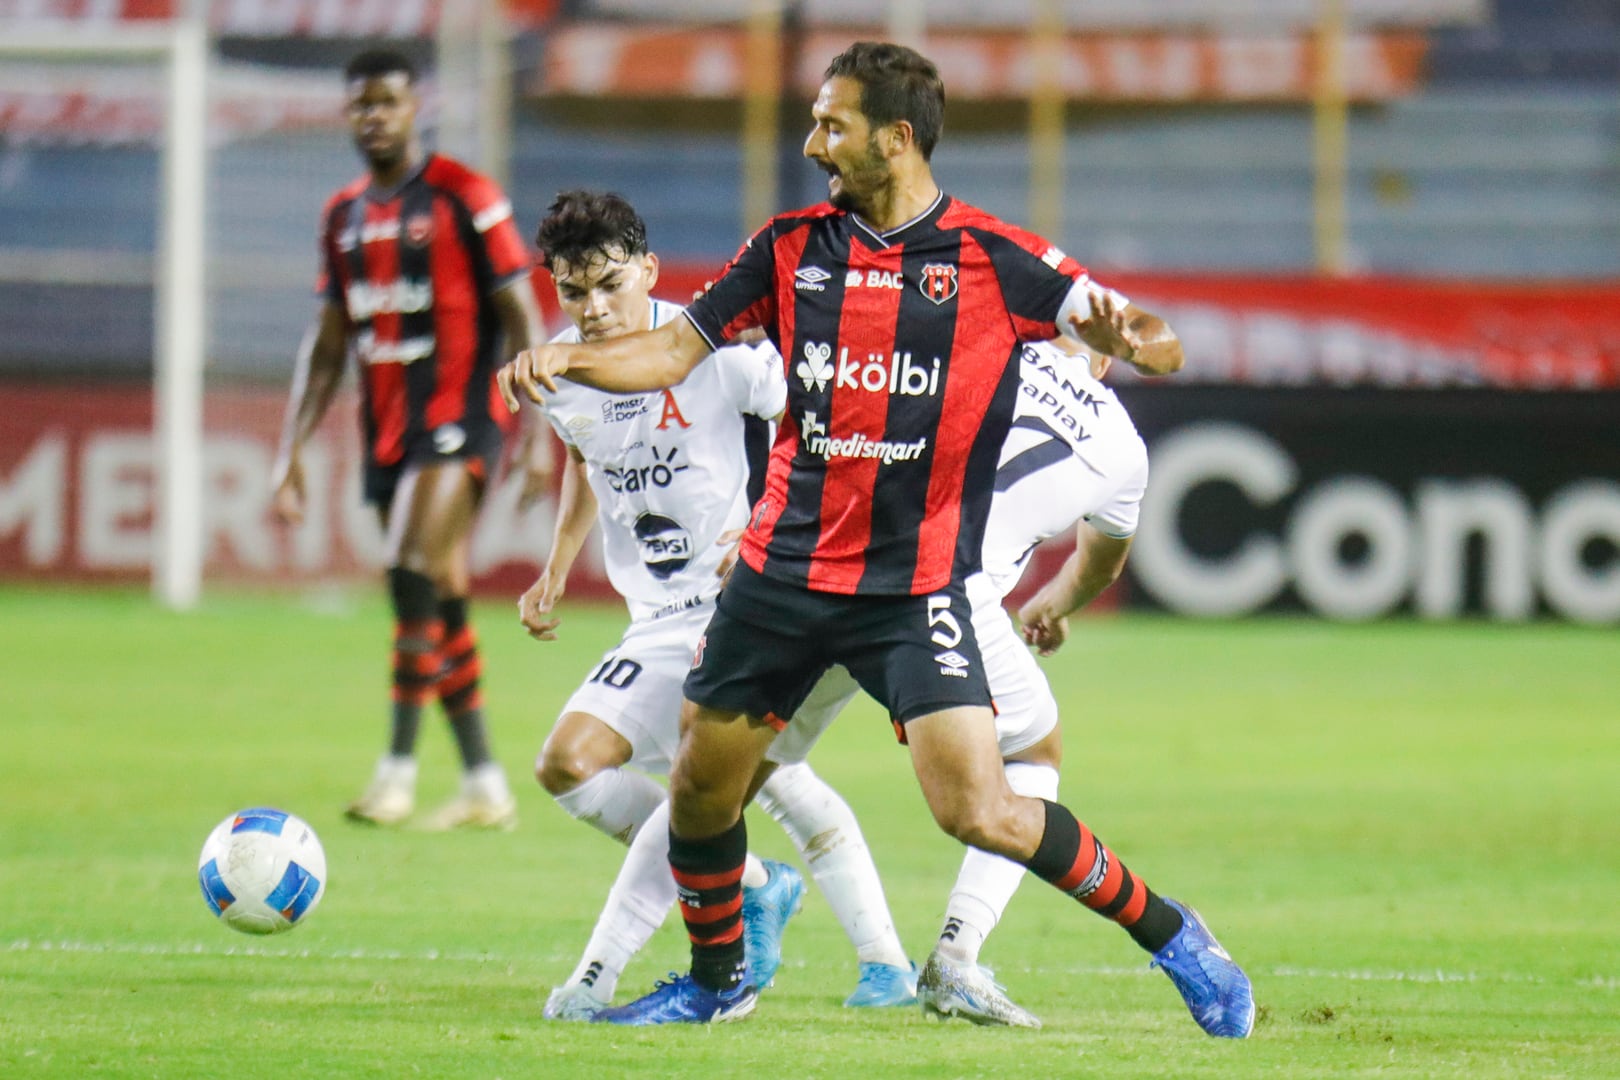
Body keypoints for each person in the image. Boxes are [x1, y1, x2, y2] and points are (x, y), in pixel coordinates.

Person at [500, 41, 1253, 1037]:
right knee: (700, 786)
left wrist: (1140, 341)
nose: (813, 141)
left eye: (832, 125)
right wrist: (570, 362)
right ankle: (717, 982)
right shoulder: (788, 247)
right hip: (782, 576)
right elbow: (676, 348)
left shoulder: (992, 257)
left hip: (912, 584)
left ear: (895, 139)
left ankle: (1172, 933)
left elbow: (1144, 329)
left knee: (980, 810)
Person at [517, 190, 917, 1019]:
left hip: (744, 604)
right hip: (656, 616)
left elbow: (815, 426)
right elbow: (583, 456)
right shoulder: (564, 371)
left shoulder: (718, 351)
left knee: (733, 784)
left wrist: (770, 528)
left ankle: (600, 978)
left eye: (610, 285)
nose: (593, 310)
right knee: (592, 769)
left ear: (651, 271)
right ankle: (775, 897)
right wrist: (556, 566)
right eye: (573, 292)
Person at [760, 335, 1149, 1029]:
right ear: (1103, 362)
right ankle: (956, 955)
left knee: (734, 769)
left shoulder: (972, 349)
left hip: (835, 562)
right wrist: (1054, 605)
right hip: (940, 602)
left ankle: (717, 933)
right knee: (1031, 754)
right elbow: (1104, 558)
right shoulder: (1123, 445)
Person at [271, 48, 545, 831]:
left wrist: (534, 436)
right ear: (347, 113)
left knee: (407, 564)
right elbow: (327, 344)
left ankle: (395, 771)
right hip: (388, 434)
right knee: (439, 599)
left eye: (388, 102)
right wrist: (290, 451)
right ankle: (487, 785)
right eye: (361, 104)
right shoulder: (344, 216)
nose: (375, 117)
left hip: (464, 421)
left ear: (416, 107)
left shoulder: (466, 197)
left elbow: (523, 314)